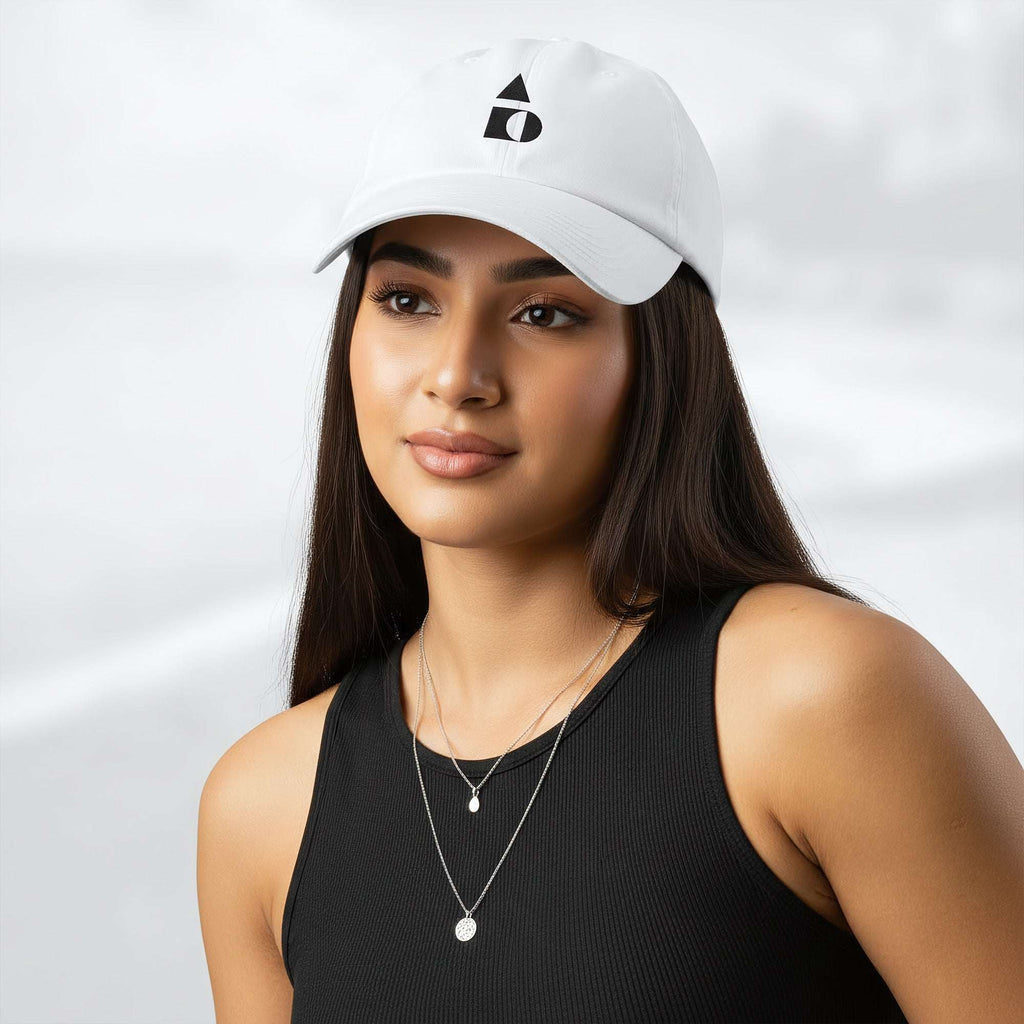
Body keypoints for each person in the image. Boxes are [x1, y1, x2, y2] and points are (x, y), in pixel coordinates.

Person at [196, 37, 1024, 1023]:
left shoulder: (819, 700)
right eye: (407, 299)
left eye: (544, 312)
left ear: (661, 357)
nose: (457, 373)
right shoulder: (261, 805)